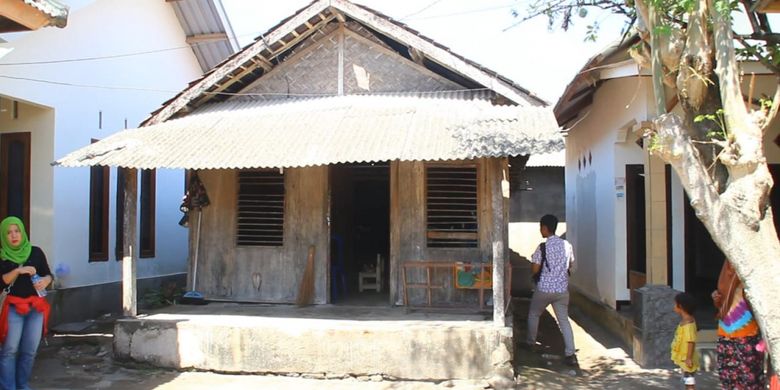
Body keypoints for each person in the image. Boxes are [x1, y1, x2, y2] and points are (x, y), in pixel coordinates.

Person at [0, 217, 52, 390]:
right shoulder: (3, 256)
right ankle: (8, 387)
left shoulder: (35, 252)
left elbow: (48, 275)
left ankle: (23, 385)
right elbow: (2, 282)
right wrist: (17, 270)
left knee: (29, 351)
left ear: (23, 232)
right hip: (15, 308)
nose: (14, 235)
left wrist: (45, 280)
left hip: (35, 308)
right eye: (9, 232)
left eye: (17, 231)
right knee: (10, 350)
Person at [525, 214, 577, 366]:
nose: (540, 230)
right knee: (564, 321)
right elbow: (570, 265)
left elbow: (534, 269)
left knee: (534, 314)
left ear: (545, 228)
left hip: (544, 289)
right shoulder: (567, 245)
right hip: (562, 290)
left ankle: (530, 343)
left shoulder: (542, 247)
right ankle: (570, 353)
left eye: (541, 227)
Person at [711, 260, 765, 389]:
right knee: (728, 379)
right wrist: (716, 299)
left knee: (749, 380)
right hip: (726, 335)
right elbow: (721, 304)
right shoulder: (725, 282)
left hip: (747, 336)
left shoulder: (751, 279)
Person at [671, 292, 700, 389]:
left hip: (687, 358)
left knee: (689, 380)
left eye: (675, 304)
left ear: (680, 306)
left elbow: (690, 341)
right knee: (687, 379)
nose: (673, 306)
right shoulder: (686, 321)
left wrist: (688, 358)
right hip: (683, 357)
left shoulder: (688, 323)